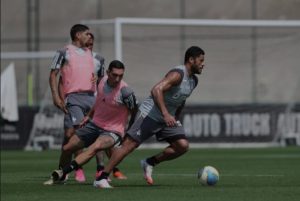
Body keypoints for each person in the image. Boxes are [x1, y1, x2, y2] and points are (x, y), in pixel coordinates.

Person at [93, 46, 206, 188]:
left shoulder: (193, 81)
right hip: (149, 114)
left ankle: (149, 162)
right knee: (128, 146)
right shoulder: (178, 74)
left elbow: (181, 100)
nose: (203, 64)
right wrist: (165, 114)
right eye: (201, 60)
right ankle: (101, 178)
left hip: (166, 117)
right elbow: (156, 90)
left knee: (182, 146)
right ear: (191, 60)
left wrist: (174, 117)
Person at [45, 60, 138, 186]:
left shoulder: (126, 92)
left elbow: (134, 110)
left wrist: (129, 131)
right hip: (95, 124)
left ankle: (63, 172)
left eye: (120, 76)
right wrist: (88, 116)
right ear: (107, 73)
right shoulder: (102, 81)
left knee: (95, 147)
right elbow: (99, 101)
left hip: (113, 130)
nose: (117, 79)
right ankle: (61, 178)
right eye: (114, 75)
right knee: (67, 148)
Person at [58, 33, 127, 180]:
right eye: (87, 42)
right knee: (72, 135)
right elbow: (61, 79)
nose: (89, 45)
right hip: (74, 98)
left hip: (94, 101)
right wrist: (59, 97)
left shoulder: (97, 59)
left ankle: (102, 169)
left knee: (100, 135)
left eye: (91, 43)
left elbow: (103, 82)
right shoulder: (71, 57)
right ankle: (74, 169)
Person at [48, 24, 104, 183]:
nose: (90, 36)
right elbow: (53, 75)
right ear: (78, 35)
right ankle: (69, 170)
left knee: (93, 133)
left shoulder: (92, 55)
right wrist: (56, 97)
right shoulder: (64, 52)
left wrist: (97, 83)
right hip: (74, 98)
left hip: (92, 98)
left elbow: (99, 79)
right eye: (87, 34)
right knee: (82, 133)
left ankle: (98, 171)